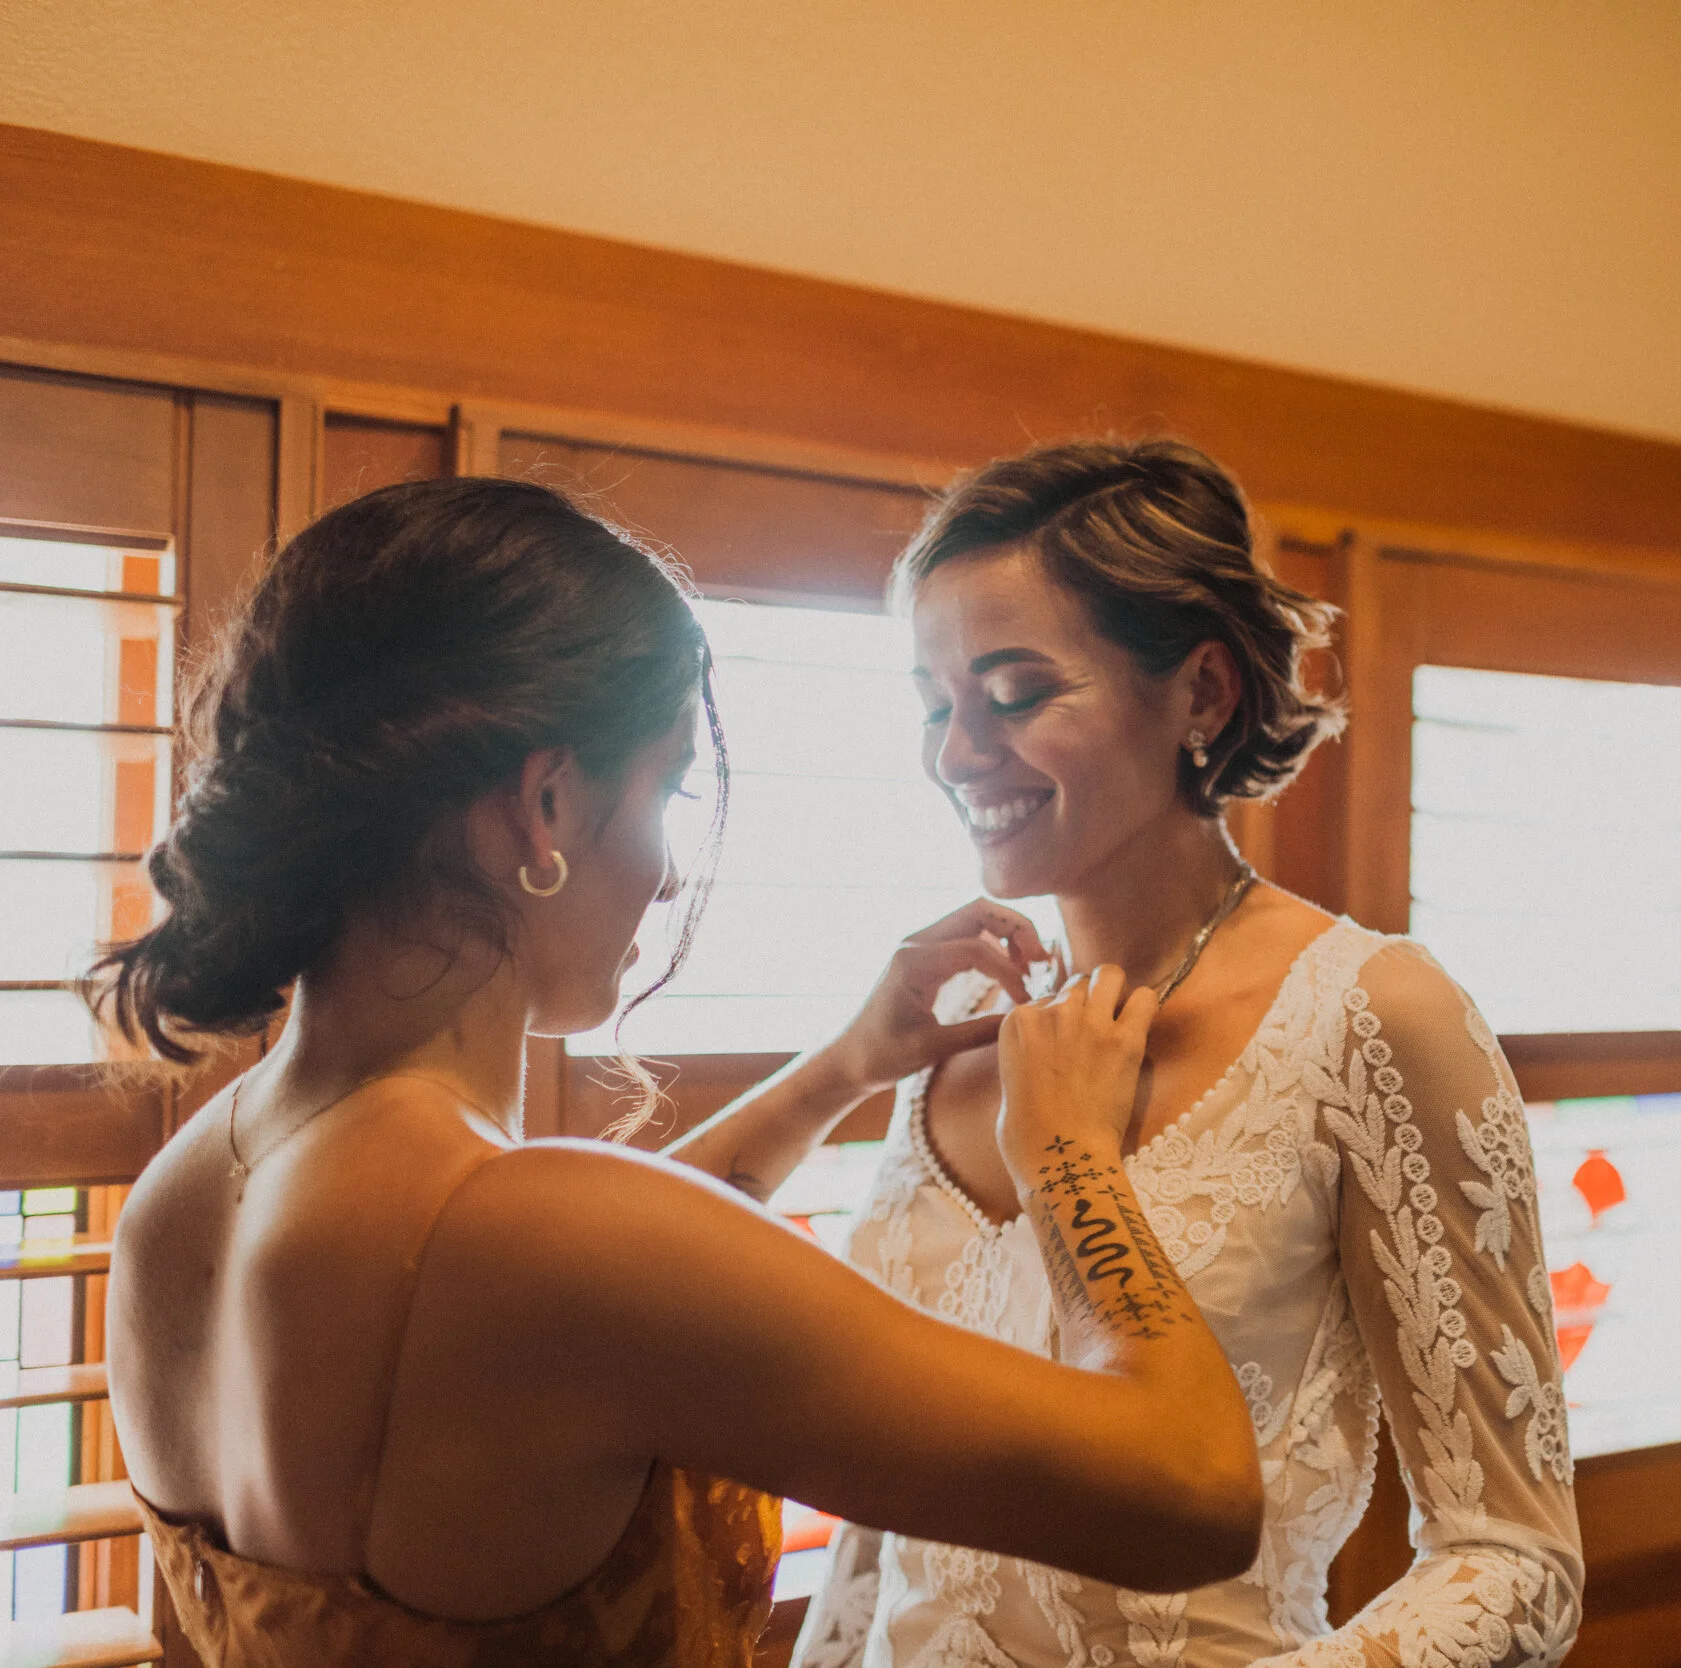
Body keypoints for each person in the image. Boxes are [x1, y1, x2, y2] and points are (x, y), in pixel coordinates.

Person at [90, 478, 1262, 1668]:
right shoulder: (546, 1244)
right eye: (666, 789)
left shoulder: (180, 1205)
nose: (668, 872)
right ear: (545, 804)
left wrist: (843, 1068)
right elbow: (1195, 1492)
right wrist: (1067, 1155)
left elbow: (588, 1294)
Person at [778, 441, 1583, 1668]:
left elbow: (1514, 1560)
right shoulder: (965, 1020)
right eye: (936, 707)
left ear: (1201, 692)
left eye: (1014, 694)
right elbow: (890, 1535)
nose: (956, 753)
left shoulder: (1369, 1014)